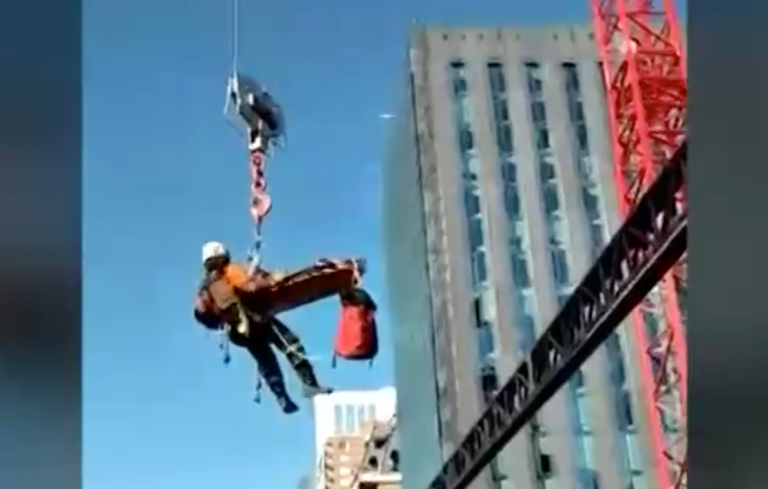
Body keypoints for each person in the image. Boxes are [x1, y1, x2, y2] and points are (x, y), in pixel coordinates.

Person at [193, 241, 332, 414]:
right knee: (291, 344)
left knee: (266, 361)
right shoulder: (230, 271)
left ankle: (281, 397)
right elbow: (249, 286)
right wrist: (273, 279)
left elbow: (204, 314)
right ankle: (310, 385)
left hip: (239, 331)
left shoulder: (205, 286)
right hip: (256, 319)